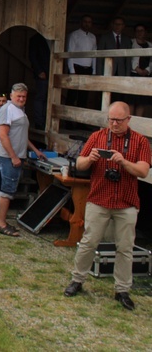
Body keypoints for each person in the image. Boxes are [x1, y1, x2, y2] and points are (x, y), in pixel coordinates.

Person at [62, 102, 151, 311]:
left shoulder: (140, 141)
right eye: (111, 119)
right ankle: (77, 280)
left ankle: (122, 290)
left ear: (128, 120)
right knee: (88, 241)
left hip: (126, 202)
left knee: (125, 248)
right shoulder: (97, 137)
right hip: (99, 199)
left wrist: (124, 162)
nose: (114, 123)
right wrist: (90, 158)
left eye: (119, 120)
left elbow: (143, 171)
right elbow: (80, 163)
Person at [0, 83, 46, 237]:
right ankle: (0, 223)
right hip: (9, 156)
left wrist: (36, 150)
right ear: (11, 96)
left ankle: (2, 220)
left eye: (24, 96)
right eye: (19, 96)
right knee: (7, 189)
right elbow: (3, 135)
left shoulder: (21, 111)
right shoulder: (7, 109)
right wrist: (13, 156)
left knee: (10, 189)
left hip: (18, 156)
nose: (22, 99)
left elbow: (23, 136)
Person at [66, 15, 97, 111]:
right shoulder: (74, 35)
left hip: (87, 68)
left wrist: (94, 71)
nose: (87, 24)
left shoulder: (93, 37)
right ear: (81, 22)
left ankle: (80, 124)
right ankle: (69, 123)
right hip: (76, 67)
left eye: (89, 22)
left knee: (84, 96)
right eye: (85, 21)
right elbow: (70, 52)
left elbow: (94, 54)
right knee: (72, 95)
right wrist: (72, 70)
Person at [28, 33, 50, 129]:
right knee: (41, 97)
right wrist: (39, 71)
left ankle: (47, 121)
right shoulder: (36, 38)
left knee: (49, 98)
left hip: (53, 72)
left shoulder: (56, 39)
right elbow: (32, 56)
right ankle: (39, 122)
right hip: (42, 74)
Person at [130, 23, 151, 117]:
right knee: (131, 100)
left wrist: (147, 70)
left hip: (146, 75)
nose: (139, 32)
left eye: (141, 30)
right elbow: (129, 59)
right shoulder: (131, 42)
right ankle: (129, 125)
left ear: (145, 32)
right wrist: (137, 69)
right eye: (137, 30)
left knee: (142, 101)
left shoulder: (150, 45)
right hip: (133, 74)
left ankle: (137, 126)